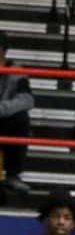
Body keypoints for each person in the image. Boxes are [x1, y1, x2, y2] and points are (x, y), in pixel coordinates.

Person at [0, 31, 33, 195]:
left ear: (3, 50)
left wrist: (2, 109)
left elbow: (27, 100)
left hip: (4, 120)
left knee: (21, 119)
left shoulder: (16, 71)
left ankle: (12, 175)